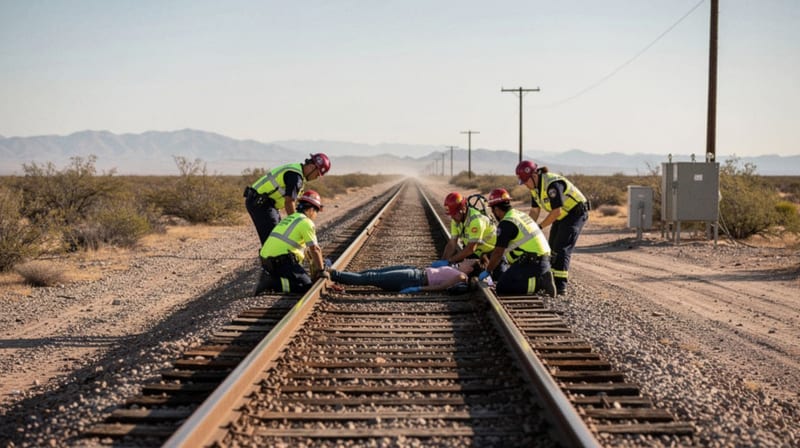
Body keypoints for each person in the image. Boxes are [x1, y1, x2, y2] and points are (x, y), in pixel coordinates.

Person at [516, 160, 589, 295]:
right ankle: (551, 281)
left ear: (534, 176)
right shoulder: (535, 189)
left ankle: (560, 286)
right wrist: (527, 228)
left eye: (526, 181)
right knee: (551, 248)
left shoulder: (552, 184)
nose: (525, 184)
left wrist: (539, 227)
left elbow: (556, 212)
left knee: (561, 248)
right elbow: (534, 211)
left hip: (575, 213)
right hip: (562, 216)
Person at [478, 188, 556, 297]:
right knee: (504, 276)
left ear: (496, 209)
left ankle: (540, 283)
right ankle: (541, 276)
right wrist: (488, 255)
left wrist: (487, 271)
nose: (493, 214)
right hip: (543, 260)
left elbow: (499, 252)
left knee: (502, 288)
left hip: (533, 262)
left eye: (493, 210)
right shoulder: (518, 214)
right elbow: (504, 249)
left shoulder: (506, 223)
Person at [245, 153, 331, 245]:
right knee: (273, 240)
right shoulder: (295, 177)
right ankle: (269, 253)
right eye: (317, 174)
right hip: (261, 203)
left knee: (277, 235)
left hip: (265, 203)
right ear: (311, 167)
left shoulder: (297, 173)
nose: (316, 177)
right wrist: (296, 225)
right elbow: (289, 202)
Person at [255, 190, 327, 295]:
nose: (316, 215)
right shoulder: (306, 222)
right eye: (317, 212)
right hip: (283, 262)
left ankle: (272, 278)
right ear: (312, 209)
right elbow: (315, 249)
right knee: (306, 286)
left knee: (300, 278)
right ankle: (272, 283)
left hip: (267, 262)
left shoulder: (290, 218)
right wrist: (321, 270)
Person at [438, 192, 505, 280]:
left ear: (463, 209)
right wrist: (442, 262)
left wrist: (450, 261)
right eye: (451, 214)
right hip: (477, 253)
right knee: (467, 275)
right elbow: (452, 243)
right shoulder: (456, 220)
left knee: (499, 280)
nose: (452, 217)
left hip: (494, 254)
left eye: (454, 214)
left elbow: (470, 249)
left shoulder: (476, 220)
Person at [328, 259, 482, 293]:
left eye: (469, 261)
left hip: (414, 278)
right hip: (414, 272)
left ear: (470, 269)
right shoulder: (458, 271)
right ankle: (337, 274)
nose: (465, 260)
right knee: (372, 272)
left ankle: (333, 274)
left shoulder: (462, 277)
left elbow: (441, 287)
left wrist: (418, 289)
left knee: (371, 277)